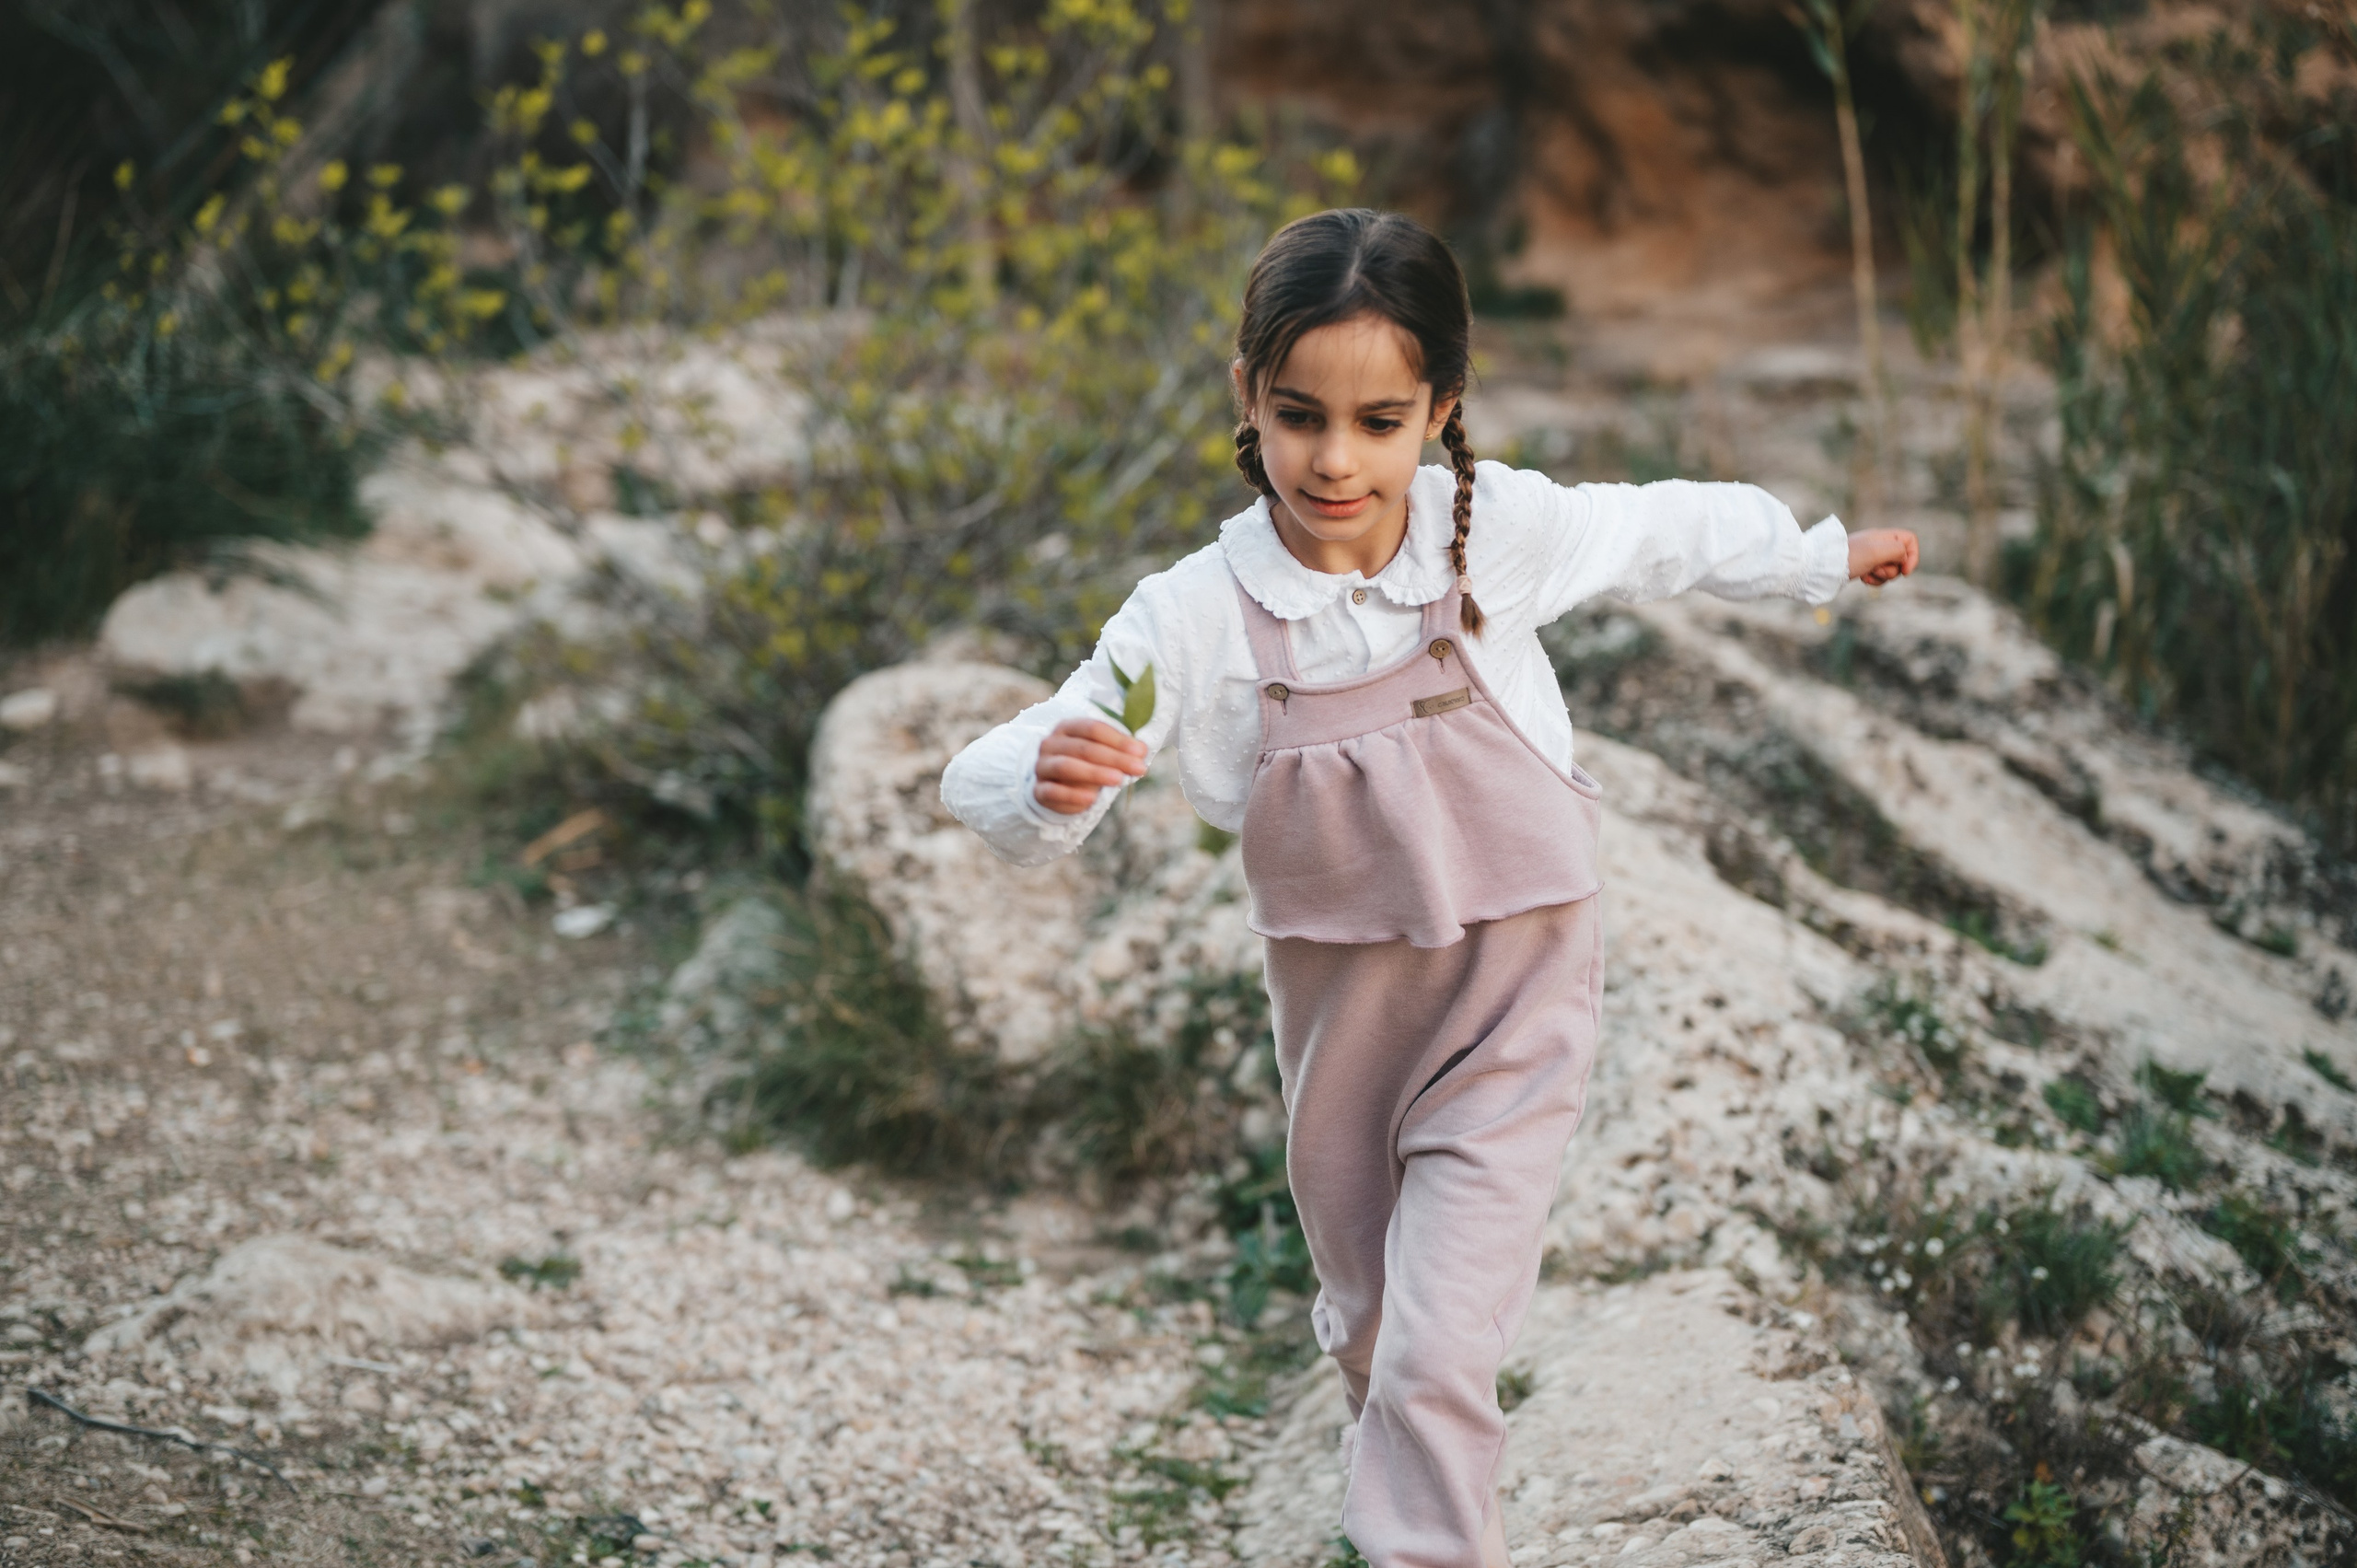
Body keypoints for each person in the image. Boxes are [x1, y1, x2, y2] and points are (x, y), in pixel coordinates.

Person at [941, 207, 1918, 1568]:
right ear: (1248, 399)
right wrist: (1047, 775)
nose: (1335, 460)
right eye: (1298, 417)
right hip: (1346, 1018)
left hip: (1517, 989)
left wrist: (1815, 556)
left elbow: (1657, 531)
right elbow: (1038, 740)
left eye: (1381, 422)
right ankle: (1403, 1474)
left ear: (1439, 411)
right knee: (1374, 1326)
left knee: (1443, 1340)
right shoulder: (1198, 613)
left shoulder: (1487, 534)